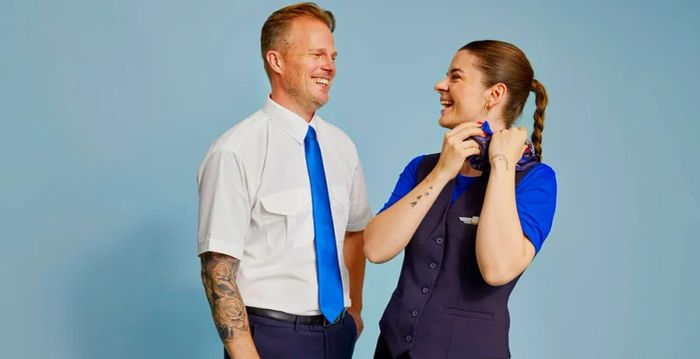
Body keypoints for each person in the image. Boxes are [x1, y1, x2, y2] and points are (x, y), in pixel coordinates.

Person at [196, 3, 371, 359]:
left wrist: (355, 314)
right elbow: (217, 266)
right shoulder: (235, 150)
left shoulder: (342, 146)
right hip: (271, 339)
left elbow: (355, 231)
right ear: (276, 61)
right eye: (317, 54)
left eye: (333, 55)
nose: (330, 66)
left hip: (337, 335)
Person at [364, 40, 557, 359]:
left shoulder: (536, 180)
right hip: (392, 350)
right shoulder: (423, 168)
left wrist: (502, 165)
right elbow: (375, 248)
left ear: (494, 94)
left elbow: (497, 269)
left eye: (456, 76)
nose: (441, 85)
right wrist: (442, 172)